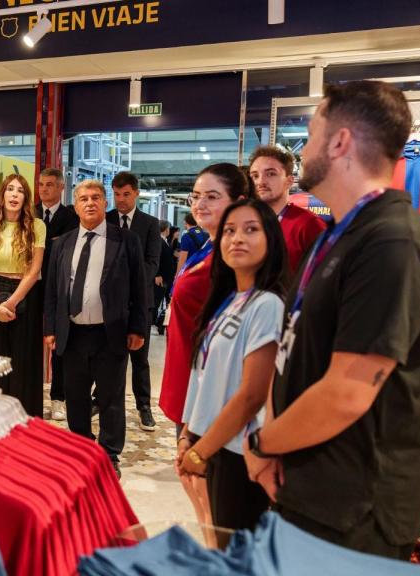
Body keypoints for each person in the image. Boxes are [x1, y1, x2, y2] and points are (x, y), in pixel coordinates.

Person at [244, 81, 420, 560]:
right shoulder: (338, 235)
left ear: (340, 143)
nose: (304, 148)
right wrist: (274, 443)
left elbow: (347, 392)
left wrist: (260, 443)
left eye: (312, 133)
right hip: (308, 492)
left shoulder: (394, 242)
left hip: (356, 514)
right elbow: (294, 351)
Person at [177, 199, 287, 548]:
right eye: (229, 231)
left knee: (235, 555)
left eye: (251, 229)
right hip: (212, 446)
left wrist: (200, 451)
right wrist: (186, 436)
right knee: (216, 545)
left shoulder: (267, 304)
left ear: (271, 239)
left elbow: (251, 394)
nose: (237, 238)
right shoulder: (227, 301)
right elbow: (205, 378)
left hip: (238, 454)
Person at [160, 163, 250, 547]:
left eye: (213, 196)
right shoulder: (208, 246)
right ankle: (214, 551)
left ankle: (220, 555)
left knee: (204, 479)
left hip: (210, 388)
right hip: (187, 377)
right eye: (197, 196)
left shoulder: (233, 259)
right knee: (192, 478)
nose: (200, 203)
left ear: (239, 202)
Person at [43, 180, 146, 477]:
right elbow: (53, 289)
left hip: (109, 332)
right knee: (75, 396)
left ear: (104, 203)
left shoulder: (125, 240)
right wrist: (50, 327)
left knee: (111, 397)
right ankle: (81, 448)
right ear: (75, 205)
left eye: (96, 198)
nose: (90, 203)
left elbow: (140, 288)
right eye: (84, 198)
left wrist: (138, 327)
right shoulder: (62, 243)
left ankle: (109, 454)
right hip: (72, 333)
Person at [0, 175, 46, 416]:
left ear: (25, 198)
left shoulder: (37, 226)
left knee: (23, 361)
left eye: (20, 191)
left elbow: (34, 270)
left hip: (26, 294)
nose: (14, 195)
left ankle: (23, 420)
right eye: (10, 189)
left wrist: (12, 302)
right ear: (2, 195)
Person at [106, 172, 161, 432]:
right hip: (108, 304)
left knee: (140, 359)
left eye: (126, 194)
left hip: (140, 302)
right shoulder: (104, 221)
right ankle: (101, 400)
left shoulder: (149, 224)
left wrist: (130, 285)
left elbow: (152, 263)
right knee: (107, 357)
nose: (121, 200)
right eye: (116, 194)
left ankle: (144, 406)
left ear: (136, 193)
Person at [36, 167, 80, 422]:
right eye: (42, 184)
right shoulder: (29, 213)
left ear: (61, 187)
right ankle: (28, 395)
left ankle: (58, 398)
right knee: (30, 342)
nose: (44, 189)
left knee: (59, 345)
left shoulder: (72, 216)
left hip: (61, 288)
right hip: (30, 287)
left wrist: (54, 242)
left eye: (50, 184)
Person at [248, 145, 325, 272]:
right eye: (255, 176)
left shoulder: (308, 224)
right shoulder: (248, 225)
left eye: (271, 174)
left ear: (289, 181)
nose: (261, 181)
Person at [153, 219, 178, 335]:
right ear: (165, 229)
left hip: (166, 276)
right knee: (156, 301)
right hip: (161, 277)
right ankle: (152, 322)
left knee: (162, 300)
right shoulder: (158, 241)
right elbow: (155, 259)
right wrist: (157, 274)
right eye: (168, 228)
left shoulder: (165, 241)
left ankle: (159, 323)